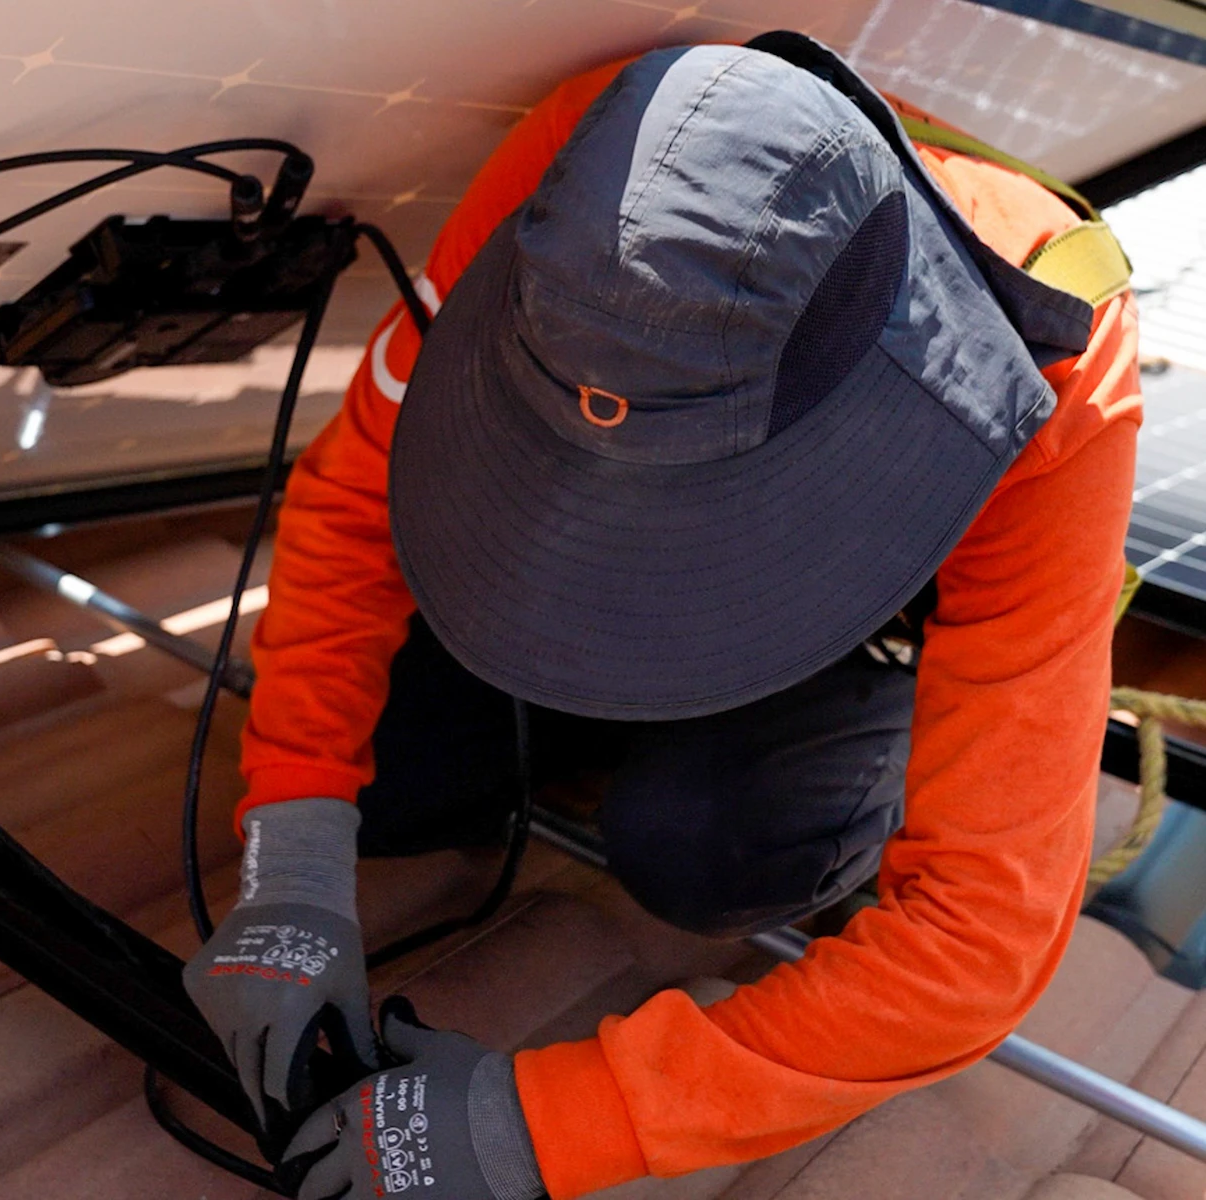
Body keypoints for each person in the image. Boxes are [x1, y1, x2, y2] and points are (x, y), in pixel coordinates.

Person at [183, 32, 1141, 1200]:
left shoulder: (1057, 373)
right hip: (592, 542)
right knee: (374, 782)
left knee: (703, 843)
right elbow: (352, 495)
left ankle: (843, 748)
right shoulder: (599, 169)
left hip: (835, 639)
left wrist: (547, 1125)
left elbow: (978, 952)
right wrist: (292, 861)